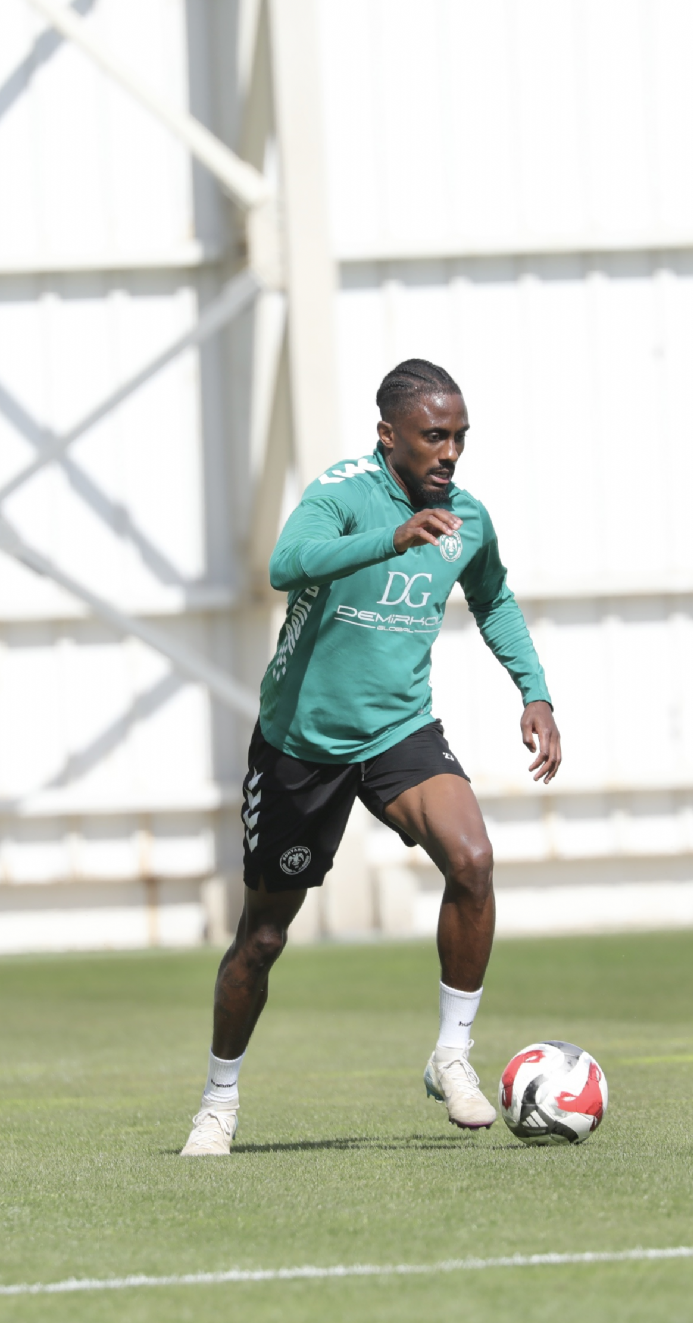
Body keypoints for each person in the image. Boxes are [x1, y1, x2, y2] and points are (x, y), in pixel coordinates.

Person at [181, 358, 561, 1156]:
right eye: (434, 435)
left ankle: (451, 1055)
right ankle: (218, 1101)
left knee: (473, 859)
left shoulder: (467, 518)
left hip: (398, 729)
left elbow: (492, 596)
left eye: (460, 436)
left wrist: (535, 692)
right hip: (303, 741)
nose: (450, 452)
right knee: (263, 938)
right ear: (389, 434)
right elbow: (285, 565)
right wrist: (389, 538)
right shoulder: (343, 491)